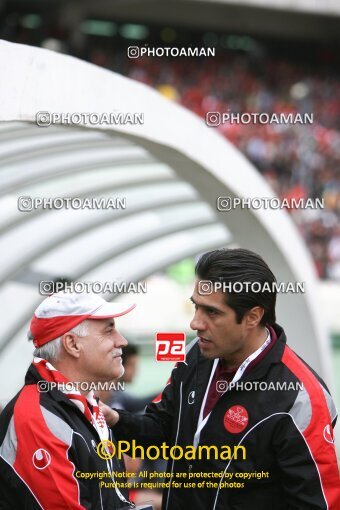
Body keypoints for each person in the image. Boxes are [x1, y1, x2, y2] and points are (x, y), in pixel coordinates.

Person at [102, 248, 340, 510]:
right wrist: (115, 419)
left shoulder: (302, 397)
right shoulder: (196, 354)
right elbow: (161, 427)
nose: (195, 323)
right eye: (195, 306)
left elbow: (316, 503)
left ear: (253, 317)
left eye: (212, 312)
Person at [0, 291, 137, 509]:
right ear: (72, 344)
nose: (122, 341)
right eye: (109, 330)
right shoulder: (38, 419)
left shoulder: (86, 407)